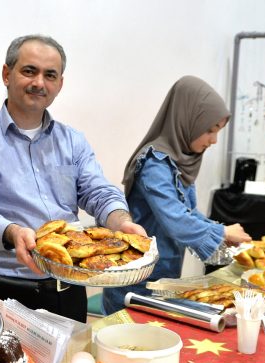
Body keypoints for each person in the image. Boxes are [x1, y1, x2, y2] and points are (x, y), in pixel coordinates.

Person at [0, 34, 146, 323]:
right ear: (7, 74)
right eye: (29, 71)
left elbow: (98, 191)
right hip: (7, 295)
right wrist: (13, 233)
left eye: (49, 75)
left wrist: (121, 221)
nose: (39, 83)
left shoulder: (72, 141)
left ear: (60, 84)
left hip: (69, 292)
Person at [102, 76, 251, 314]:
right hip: (135, 282)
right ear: (188, 119)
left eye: (218, 131)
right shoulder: (155, 163)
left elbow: (188, 213)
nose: (213, 140)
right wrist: (222, 231)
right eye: (210, 130)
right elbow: (176, 219)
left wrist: (220, 232)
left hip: (162, 278)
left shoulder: (180, 161)